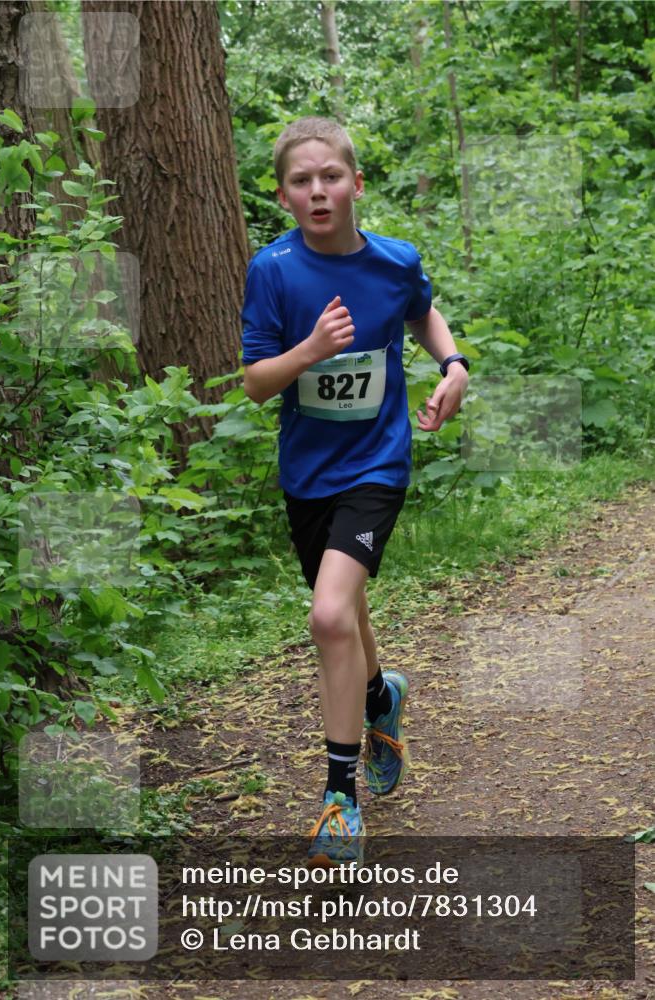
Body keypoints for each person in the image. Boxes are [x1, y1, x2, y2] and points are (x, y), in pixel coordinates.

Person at [241, 117, 469, 867]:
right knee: (347, 611)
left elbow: (421, 309)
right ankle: (379, 699)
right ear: (283, 196)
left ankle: (339, 801)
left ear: (355, 183)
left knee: (330, 614)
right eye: (301, 182)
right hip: (308, 475)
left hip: (377, 465)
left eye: (329, 177)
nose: (317, 191)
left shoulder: (394, 261)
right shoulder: (272, 271)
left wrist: (453, 365)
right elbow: (253, 385)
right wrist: (308, 350)